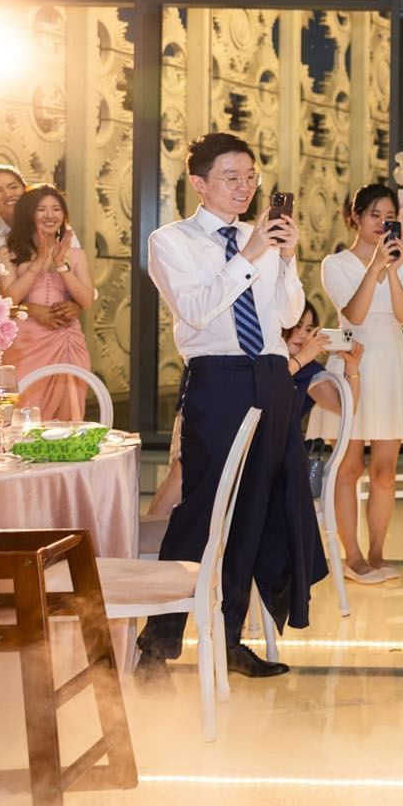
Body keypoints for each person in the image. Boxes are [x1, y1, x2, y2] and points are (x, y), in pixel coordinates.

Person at [139, 132, 325, 682]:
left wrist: (286, 258)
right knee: (202, 510)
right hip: (218, 379)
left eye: (251, 177)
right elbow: (196, 311)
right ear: (198, 184)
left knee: (255, 512)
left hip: (270, 377)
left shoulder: (260, 239)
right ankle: (158, 643)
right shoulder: (169, 241)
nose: (245, 188)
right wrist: (250, 255)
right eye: (231, 178)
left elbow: (288, 313)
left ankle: (228, 638)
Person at [309, 183, 403, 586]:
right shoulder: (334, 263)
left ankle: (377, 552)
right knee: (348, 467)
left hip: (391, 361)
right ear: (354, 216)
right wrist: (374, 267)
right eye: (374, 214)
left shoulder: (402, 261)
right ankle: (351, 556)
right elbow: (353, 315)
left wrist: (391, 270)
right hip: (352, 359)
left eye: (389, 216)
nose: (381, 223)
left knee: (385, 470)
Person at [0, 186, 95, 421]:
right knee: (24, 410)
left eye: (56, 209)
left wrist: (61, 265)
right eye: (41, 209)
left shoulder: (76, 254)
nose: (50, 215)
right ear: (28, 214)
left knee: (68, 416)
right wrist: (39, 260)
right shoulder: (7, 252)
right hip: (25, 344)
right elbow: (9, 299)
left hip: (67, 339)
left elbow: (86, 300)